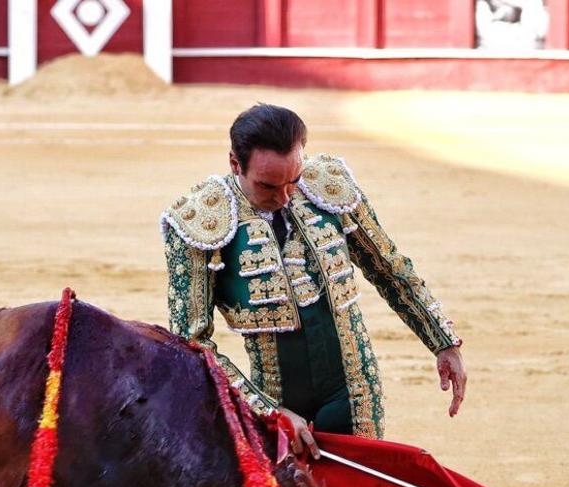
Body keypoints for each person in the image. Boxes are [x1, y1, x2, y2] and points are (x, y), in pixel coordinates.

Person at [162, 103, 466, 456]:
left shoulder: (328, 188)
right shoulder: (199, 223)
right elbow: (192, 346)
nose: (284, 196)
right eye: (267, 186)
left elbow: (388, 268)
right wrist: (265, 410)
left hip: (354, 391)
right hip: (274, 398)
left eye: (294, 179)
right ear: (235, 164)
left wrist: (443, 341)